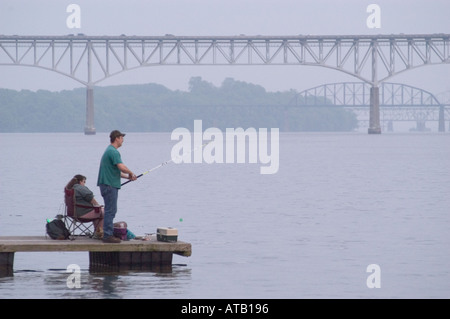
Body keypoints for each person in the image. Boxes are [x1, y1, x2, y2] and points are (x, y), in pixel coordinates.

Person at [97, 130, 137, 243]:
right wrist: (130, 173)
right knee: (111, 210)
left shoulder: (109, 151)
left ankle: (107, 233)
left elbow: (116, 171)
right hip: (109, 185)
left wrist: (127, 177)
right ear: (116, 138)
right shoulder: (113, 152)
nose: (123, 140)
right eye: (121, 137)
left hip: (107, 184)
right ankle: (107, 236)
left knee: (111, 210)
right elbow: (121, 167)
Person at [66, 174, 104, 239]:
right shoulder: (80, 188)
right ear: (80, 181)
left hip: (72, 214)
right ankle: (99, 234)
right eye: (84, 182)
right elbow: (90, 197)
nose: (84, 184)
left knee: (98, 213)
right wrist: (98, 206)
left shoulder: (70, 189)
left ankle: (97, 233)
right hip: (82, 214)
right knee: (103, 212)